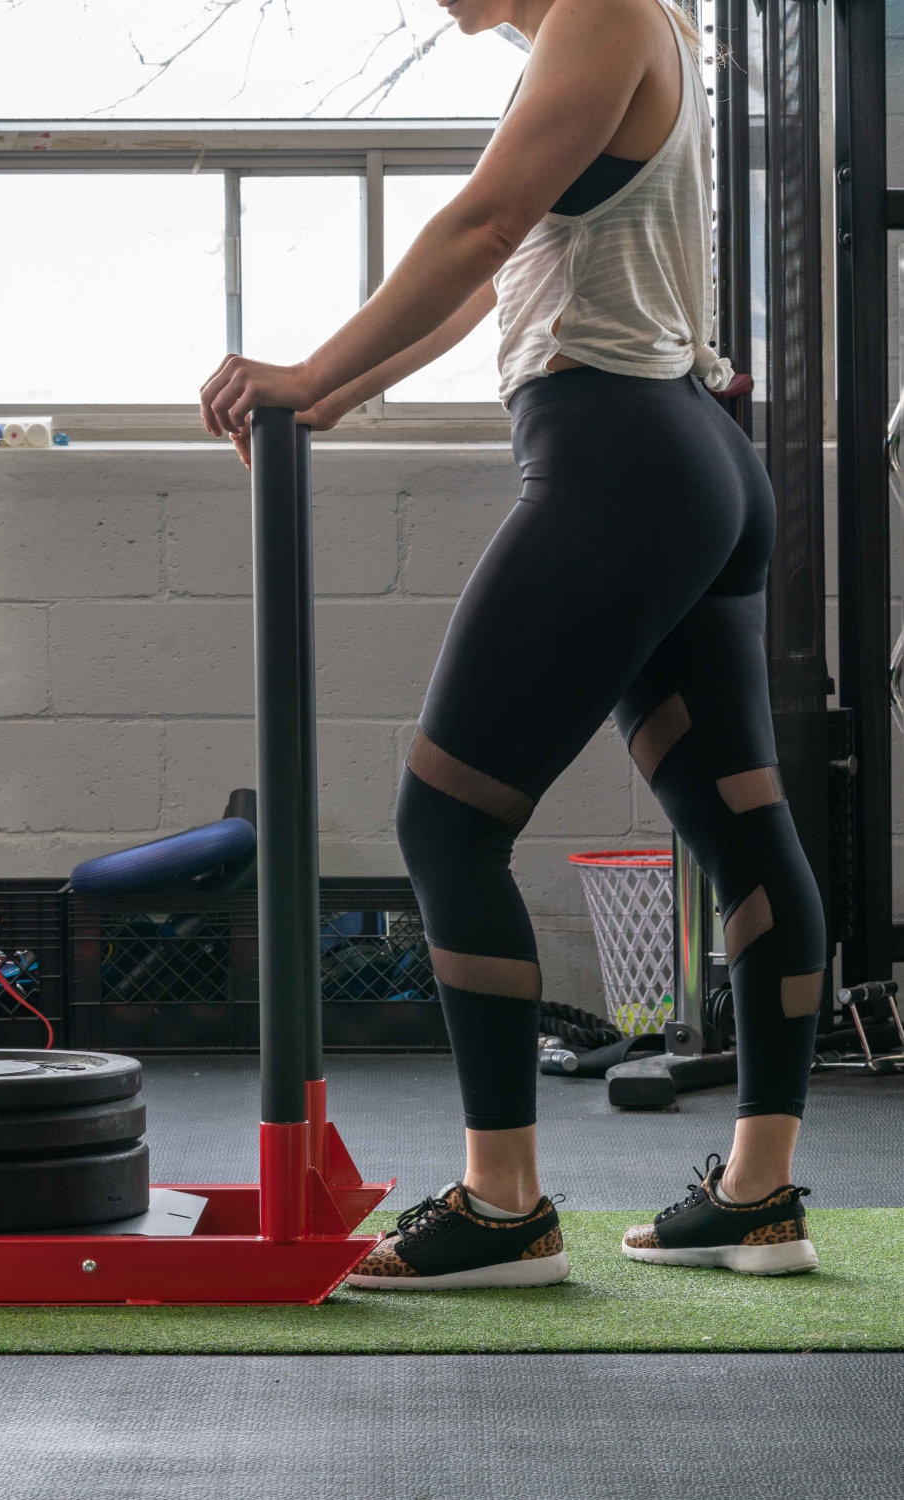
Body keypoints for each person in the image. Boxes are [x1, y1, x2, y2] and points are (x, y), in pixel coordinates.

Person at [200, 0, 824, 1289]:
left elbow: (476, 225)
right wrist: (325, 392)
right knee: (741, 829)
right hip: (684, 459)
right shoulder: (624, 29)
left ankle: (502, 1207)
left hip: (624, 462)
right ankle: (758, 1195)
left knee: (448, 822)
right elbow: (498, 267)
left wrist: (305, 370)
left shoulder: (601, 10)